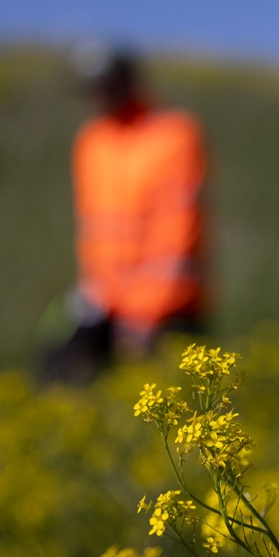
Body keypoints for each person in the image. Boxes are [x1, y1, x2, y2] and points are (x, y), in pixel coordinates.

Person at [41, 45, 208, 384]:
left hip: (167, 307)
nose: (99, 94)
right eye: (91, 86)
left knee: (166, 407)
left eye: (107, 83)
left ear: (130, 82)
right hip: (104, 302)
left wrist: (144, 315)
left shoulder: (173, 134)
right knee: (55, 369)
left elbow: (177, 232)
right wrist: (89, 295)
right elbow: (91, 228)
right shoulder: (91, 141)